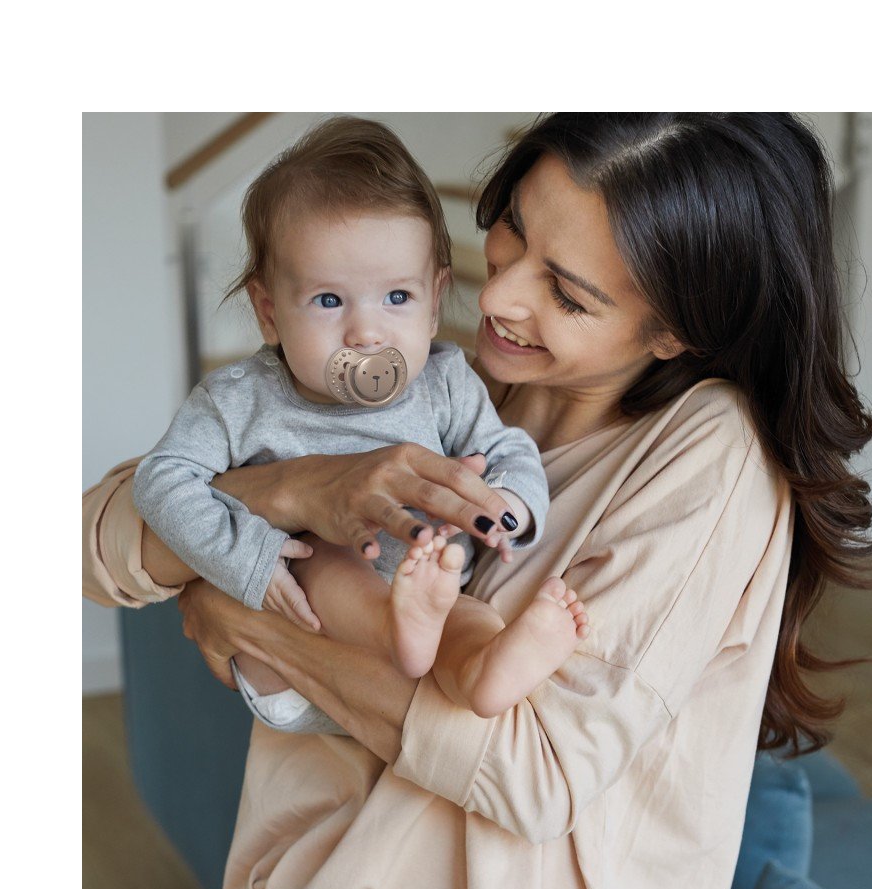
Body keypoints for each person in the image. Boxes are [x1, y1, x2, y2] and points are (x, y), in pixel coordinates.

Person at [83, 113, 872, 889]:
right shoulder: (464, 381)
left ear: (673, 330)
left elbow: (536, 779)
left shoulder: (709, 454)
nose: (494, 294)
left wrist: (256, 623)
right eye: (514, 227)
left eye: (565, 293)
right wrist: (293, 491)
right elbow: (95, 541)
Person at [132, 117, 587, 729]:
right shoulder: (239, 399)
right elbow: (162, 479)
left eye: (397, 298)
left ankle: (484, 669)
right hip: (296, 642)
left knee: (459, 602)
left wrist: (505, 505)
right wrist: (250, 558)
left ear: (433, 302)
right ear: (269, 312)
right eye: (329, 300)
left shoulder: (446, 382)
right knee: (322, 553)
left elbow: (507, 451)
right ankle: (397, 624)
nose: (367, 332)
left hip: (421, 625)